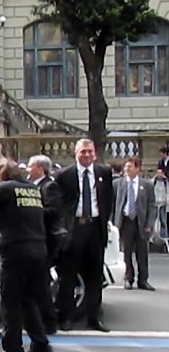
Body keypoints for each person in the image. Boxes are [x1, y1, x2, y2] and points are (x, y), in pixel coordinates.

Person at [0, 160, 54, 352]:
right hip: (38, 250)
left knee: (10, 302)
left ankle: (13, 351)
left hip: (14, 251)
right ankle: (40, 345)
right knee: (28, 301)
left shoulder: (4, 188)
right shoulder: (34, 190)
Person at [55, 138, 113, 333]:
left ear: (95, 153)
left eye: (90, 151)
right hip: (74, 229)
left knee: (95, 276)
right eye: (83, 152)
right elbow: (59, 203)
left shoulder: (104, 173)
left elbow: (107, 200)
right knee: (68, 276)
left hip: (95, 228)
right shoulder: (65, 175)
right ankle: (66, 317)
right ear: (76, 153)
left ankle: (93, 318)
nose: (87, 155)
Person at [27, 155, 62, 335]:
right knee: (37, 284)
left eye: (30, 166)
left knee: (41, 285)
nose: (27, 169)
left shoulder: (49, 186)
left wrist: (31, 210)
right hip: (36, 240)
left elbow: (53, 212)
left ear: (40, 168)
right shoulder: (34, 186)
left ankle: (49, 321)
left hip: (45, 241)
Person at [112, 157, 156, 291]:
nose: (127, 170)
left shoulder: (146, 185)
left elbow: (151, 205)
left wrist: (149, 223)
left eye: (130, 167)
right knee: (126, 252)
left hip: (140, 221)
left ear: (137, 168)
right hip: (125, 221)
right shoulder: (118, 184)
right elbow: (113, 204)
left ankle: (143, 280)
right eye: (125, 167)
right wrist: (113, 222)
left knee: (142, 252)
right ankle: (128, 278)